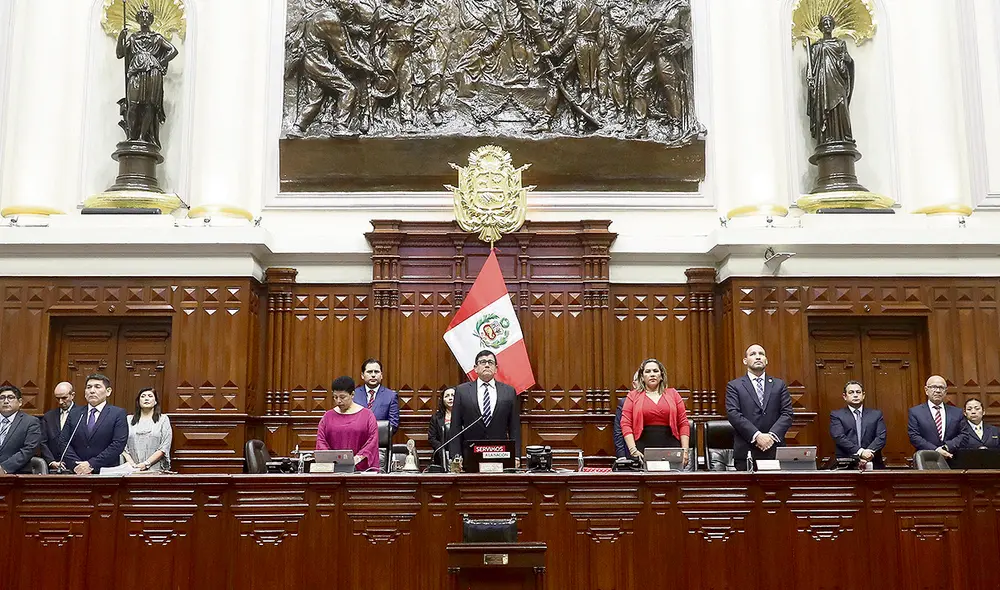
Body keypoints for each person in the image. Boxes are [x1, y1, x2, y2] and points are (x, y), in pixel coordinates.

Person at [116, 1, 179, 147]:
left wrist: (158, 61)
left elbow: (173, 50)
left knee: (150, 105)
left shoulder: (156, 37)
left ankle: (143, 137)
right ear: (138, 20)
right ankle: (133, 136)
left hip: (153, 72)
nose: (144, 19)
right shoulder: (132, 38)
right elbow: (120, 54)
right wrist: (120, 38)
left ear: (151, 20)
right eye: (142, 17)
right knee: (133, 104)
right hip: (137, 72)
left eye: (147, 17)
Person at [725, 344, 794, 470]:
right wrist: (757, 436)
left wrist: (771, 436)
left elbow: (787, 413)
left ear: (766, 360)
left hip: (774, 449)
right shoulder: (734, 386)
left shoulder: (779, 385)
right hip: (747, 450)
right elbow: (733, 414)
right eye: (753, 354)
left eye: (761, 354)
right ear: (745, 361)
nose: (758, 357)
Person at [448, 350, 522, 465]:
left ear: (496, 369)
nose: (487, 365)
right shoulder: (462, 391)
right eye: (482, 362)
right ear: (475, 368)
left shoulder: (508, 391)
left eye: (490, 362)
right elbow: (455, 427)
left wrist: (516, 455)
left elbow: (514, 427)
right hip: (471, 453)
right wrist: (456, 456)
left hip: (500, 453)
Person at [620, 359, 690, 466]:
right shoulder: (632, 396)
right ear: (642, 377)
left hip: (670, 447)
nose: (652, 374)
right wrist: (633, 450)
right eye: (648, 372)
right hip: (642, 448)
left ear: (661, 376)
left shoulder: (673, 394)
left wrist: (685, 451)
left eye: (655, 371)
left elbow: (683, 423)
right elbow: (625, 424)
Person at [57, 373, 128, 475]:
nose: (92, 391)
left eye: (97, 387)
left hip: (105, 472)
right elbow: (63, 442)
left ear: (108, 392)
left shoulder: (118, 414)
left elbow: (118, 444)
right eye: (89, 387)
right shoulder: (75, 413)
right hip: (76, 472)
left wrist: (91, 464)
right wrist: (78, 465)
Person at [807, 15, 854, 145]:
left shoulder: (840, 43)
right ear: (821, 27)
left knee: (842, 106)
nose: (827, 24)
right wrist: (810, 80)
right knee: (824, 109)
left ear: (833, 26)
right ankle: (827, 137)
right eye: (824, 23)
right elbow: (811, 68)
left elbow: (849, 62)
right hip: (823, 83)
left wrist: (846, 61)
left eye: (829, 22)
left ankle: (844, 137)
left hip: (838, 81)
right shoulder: (816, 47)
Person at [317, 376, 380, 471]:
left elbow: (372, 441)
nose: (338, 401)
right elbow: (321, 441)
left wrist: (357, 458)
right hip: (333, 469)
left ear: (352, 394)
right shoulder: (327, 416)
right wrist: (331, 459)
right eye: (335, 397)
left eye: (342, 397)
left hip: (360, 470)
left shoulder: (367, 415)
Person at [828, 380, 887, 469]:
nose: (855, 395)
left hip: (873, 462)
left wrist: (868, 453)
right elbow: (839, 437)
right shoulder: (837, 415)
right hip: (846, 464)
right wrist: (861, 452)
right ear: (844, 396)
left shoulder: (876, 414)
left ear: (863, 395)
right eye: (851, 392)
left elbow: (881, 437)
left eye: (858, 392)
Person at [907, 375, 964, 459]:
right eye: (934, 387)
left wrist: (946, 448)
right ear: (926, 390)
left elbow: (963, 435)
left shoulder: (957, 412)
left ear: (945, 391)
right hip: (926, 459)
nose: (938, 391)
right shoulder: (915, 412)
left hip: (952, 457)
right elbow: (914, 436)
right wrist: (936, 450)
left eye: (941, 387)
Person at [123, 387, 173, 472]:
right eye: (143, 396)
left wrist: (146, 464)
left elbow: (165, 446)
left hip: (155, 470)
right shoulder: (128, 420)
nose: (146, 398)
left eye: (150, 396)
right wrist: (132, 465)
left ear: (155, 401)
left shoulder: (163, 419)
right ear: (138, 401)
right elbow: (122, 445)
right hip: (131, 469)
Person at [0, 385, 42, 474]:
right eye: (2, 398)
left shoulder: (31, 422)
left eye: (10, 398)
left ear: (20, 402)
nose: (6, 401)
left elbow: (29, 449)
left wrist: (4, 468)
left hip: (17, 475)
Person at [353, 358, 400, 433]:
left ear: (381, 375)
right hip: (357, 441)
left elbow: (393, 425)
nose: (373, 375)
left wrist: (373, 436)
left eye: (376, 372)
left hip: (380, 442)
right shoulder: (354, 394)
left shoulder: (391, 396)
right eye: (369, 372)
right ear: (362, 375)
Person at [40, 381, 76, 470]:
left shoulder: (83, 414)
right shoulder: (48, 416)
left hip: (75, 466)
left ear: (72, 395)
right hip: (53, 466)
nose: (60, 402)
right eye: (57, 398)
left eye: (64, 398)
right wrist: (51, 461)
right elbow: (42, 441)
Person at [613, 371, 640, 459]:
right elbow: (618, 431)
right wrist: (621, 456)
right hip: (631, 451)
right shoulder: (625, 402)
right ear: (634, 384)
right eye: (640, 380)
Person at [427, 387, 455, 465]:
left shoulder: (464, 416)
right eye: (447, 396)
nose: (450, 398)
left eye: (453, 395)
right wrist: (441, 449)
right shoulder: (436, 417)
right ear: (442, 400)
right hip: (441, 456)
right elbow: (431, 438)